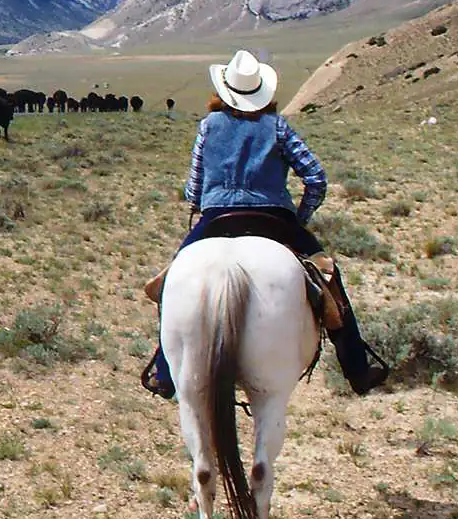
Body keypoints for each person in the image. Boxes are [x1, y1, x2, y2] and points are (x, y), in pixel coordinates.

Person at [141, 50, 388, 399]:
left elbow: (193, 189)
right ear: (261, 92)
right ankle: (358, 370)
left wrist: (206, 199)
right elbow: (316, 178)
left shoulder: (208, 127)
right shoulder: (278, 127)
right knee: (330, 280)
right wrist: (298, 219)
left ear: (224, 90)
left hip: (216, 219)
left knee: (172, 284)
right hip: (274, 219)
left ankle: (165, 373)